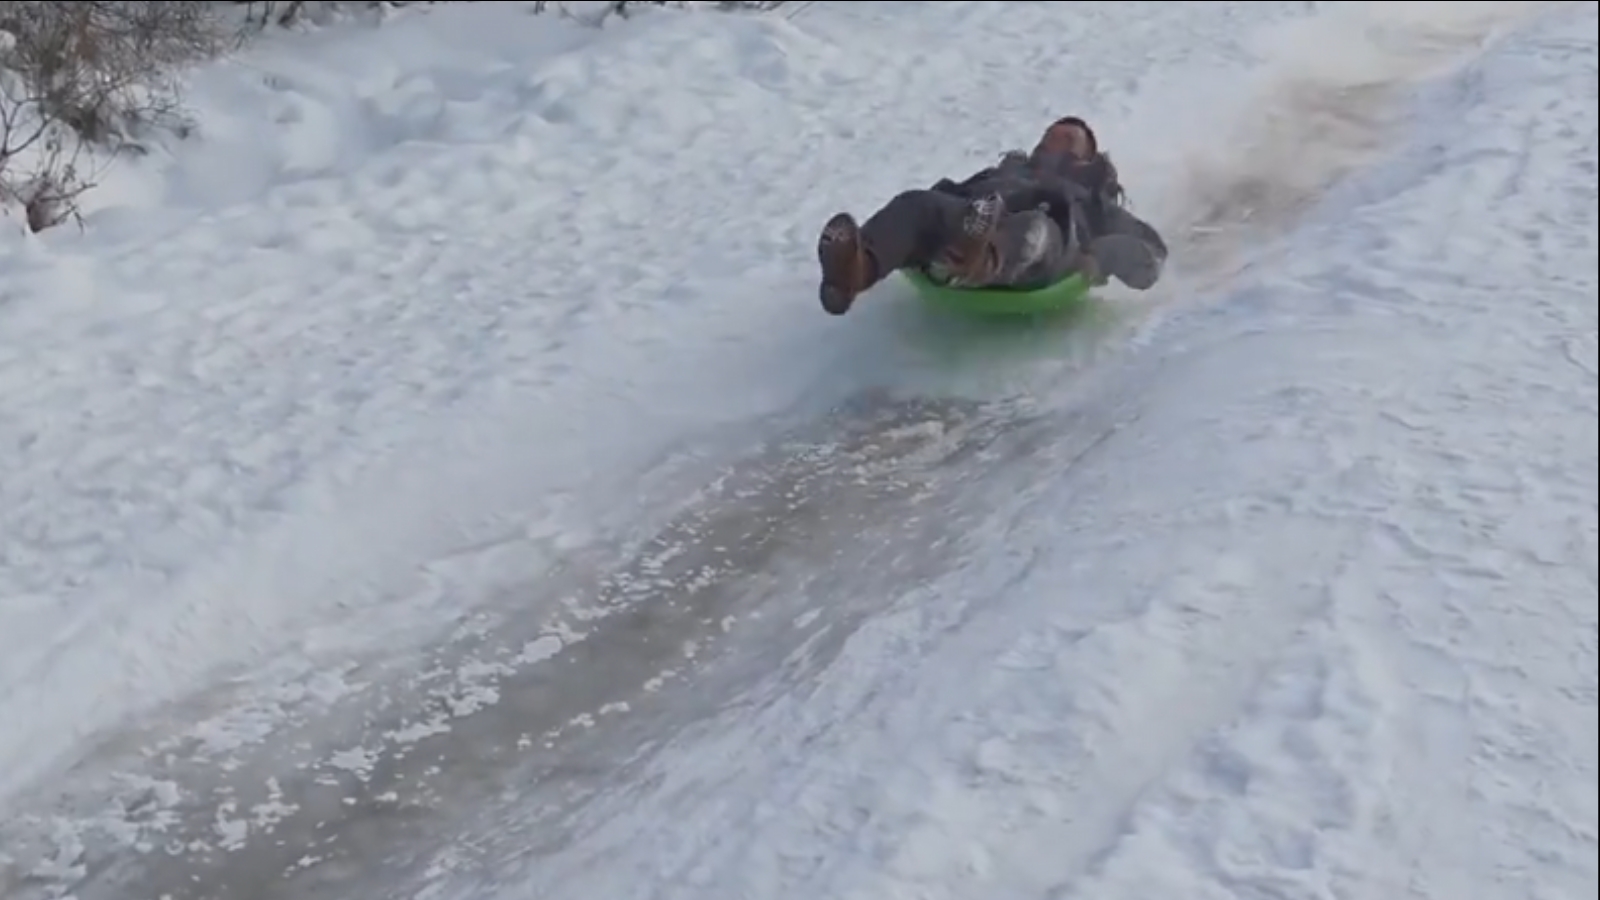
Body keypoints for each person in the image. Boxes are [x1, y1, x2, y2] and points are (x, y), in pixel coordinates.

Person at [815, 116, 1168, 316]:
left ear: (1087, 158)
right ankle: (853, 273)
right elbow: (949, 198)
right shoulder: (1004, 176)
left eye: (1065, 139)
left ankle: (980, 257)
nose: (1050, 143)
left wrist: (1101, 256)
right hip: (975, 220)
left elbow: (1152, 256)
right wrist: (925, 221)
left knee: (1034, 228)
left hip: (1049, 245)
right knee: (916, 204)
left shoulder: (1091, 201)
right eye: (1047, 137)